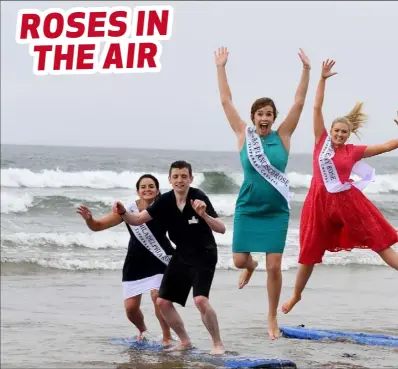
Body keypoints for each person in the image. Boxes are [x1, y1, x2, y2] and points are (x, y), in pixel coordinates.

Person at [282, 60, 398, 315]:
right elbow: (316, 106)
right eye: (336, 130)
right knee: (309, 253)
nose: (339, 134)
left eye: (344, 132)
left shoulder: (353, 151)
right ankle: (296, 296)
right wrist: (322, 79)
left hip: (347, 203)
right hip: (319, 203)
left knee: (378, 241)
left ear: (349, 133)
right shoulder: (320, 140)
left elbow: (388, 146)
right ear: (330, 130)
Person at [214, 46, 311, 339]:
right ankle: (250, 266)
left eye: (269, 113)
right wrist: (221, 67)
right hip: (248, 207)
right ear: (253, 117)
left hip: (275, 212)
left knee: (275, 266)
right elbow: (225, 100)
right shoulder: (245, 136)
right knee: (240, 261)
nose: (265, 117)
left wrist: (306, 71)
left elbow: (300, 102)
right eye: (260, 113)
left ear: (273, 117)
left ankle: (271, 319)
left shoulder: (284, 137)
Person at [112, 160, 226, 355]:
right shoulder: (164, 200)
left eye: (184, 176)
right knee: (163, 302)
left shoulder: (198, 196)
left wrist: (204, 215)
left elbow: (221, 228)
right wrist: (123, 212)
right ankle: (185, 341)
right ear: (170, 179)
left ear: (191, 178)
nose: (179, 180)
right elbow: (137, 220)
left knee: (200, 300)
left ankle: (217, 344)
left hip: (204, 253)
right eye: (175, 176)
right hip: (181, 254)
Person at [77, 174, 174, 346]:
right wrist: (89, 219)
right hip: (135, 262)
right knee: (130, 309)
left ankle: (167, 336)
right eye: (143, 187)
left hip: (160, 259)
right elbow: (98, 226)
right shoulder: (127, 210)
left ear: (157, 190)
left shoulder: (165, 207)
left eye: (151, 186)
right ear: (138, 191)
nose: (147, 189)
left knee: (157, 297)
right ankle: (143, 329)